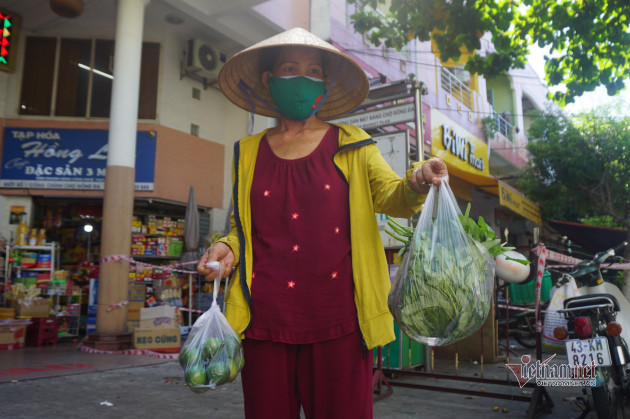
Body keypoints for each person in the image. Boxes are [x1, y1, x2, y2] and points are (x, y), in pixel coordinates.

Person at [198, 27, 448, 419]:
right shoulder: (247, 151)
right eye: (291, 68)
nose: (302, 78)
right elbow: (242, 226)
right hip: (263, 320)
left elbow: (392, 195)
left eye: (313, 71)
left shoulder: (353, 143)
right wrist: (226, 247)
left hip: (340, 322)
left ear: (325, 84)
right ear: (269, 80)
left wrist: (419, 177)